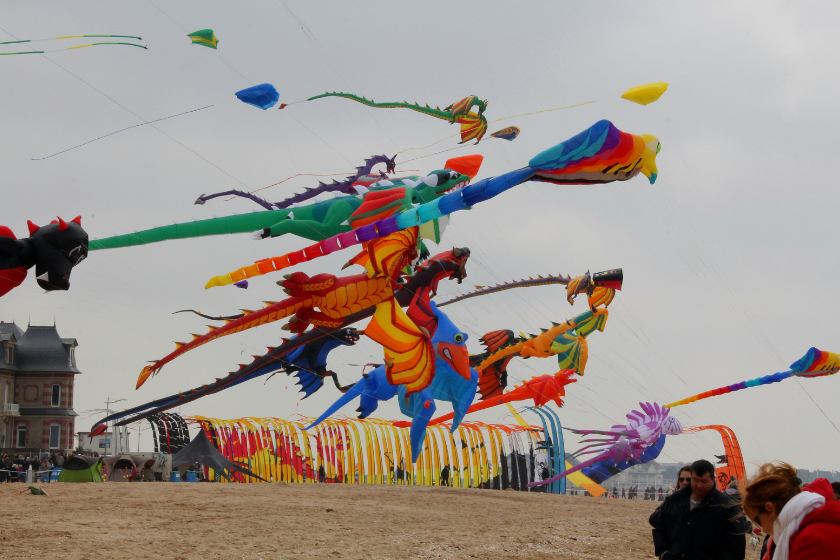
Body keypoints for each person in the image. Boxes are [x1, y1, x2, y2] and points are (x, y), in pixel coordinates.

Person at [742, 462, 840, 560]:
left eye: (757, 520)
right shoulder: (802, 527)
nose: (763, 529)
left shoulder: (812, 540)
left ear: (770, 508)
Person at [652, 459, 746, 559]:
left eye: (704, 481)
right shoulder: (674, 500)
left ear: (713, 480)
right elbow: (660, 529)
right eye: (695, 480)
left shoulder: (728, 507)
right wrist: (663, 553)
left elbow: (736, 548)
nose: (699, 485)